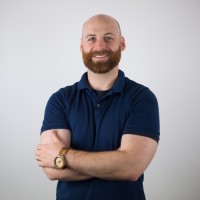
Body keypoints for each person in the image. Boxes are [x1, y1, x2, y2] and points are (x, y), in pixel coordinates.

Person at [35, 14, 160, 200]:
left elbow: (132, 167)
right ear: (81, 46)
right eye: (91, 38)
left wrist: (62, 156)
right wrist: (117, 165)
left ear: (122, 43)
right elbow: (52, 171)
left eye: (108, 38)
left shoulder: (142, 98)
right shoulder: (60, 100)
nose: (100, 46)